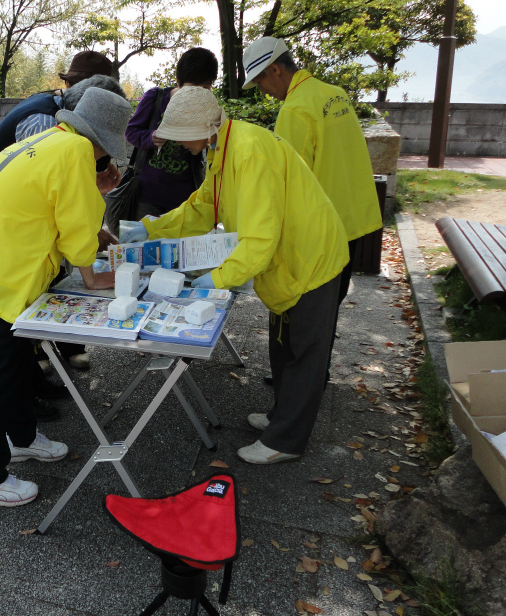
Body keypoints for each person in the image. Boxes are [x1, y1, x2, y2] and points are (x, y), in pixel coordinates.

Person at [121, 86, 348, 465]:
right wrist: (153, 228)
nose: (180, 145)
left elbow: (260, 240)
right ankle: (282, 416)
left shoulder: (250, 152)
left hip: (310, 257)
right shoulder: (222, 147)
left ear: (207, 127)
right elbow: (203, 206)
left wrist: (216, 280)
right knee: (283, 343)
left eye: (183, 137)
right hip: (288, 256)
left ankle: (287, 440)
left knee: (304, 351)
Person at [0, 88, 133, 506]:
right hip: (9, 276)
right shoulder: (75, 152)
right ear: (105, 142)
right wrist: (102, 270)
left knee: (17, 360)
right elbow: (79, 240)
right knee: (1, 369)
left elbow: (53, 207)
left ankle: (20, 438)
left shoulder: (48, 140)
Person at [0, 50, 123, 378]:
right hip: (4, 253)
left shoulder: (58, 133)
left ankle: (23, 424)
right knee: (3, 360)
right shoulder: (67, 142)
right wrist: (90, 273)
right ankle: (5, 423)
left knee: (9, 353)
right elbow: (69, 214)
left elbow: (51, 195)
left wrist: (92, 192)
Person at [243, 37, 381, 307]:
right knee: (332, 305)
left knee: (313, 313)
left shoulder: (295, 109)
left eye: (260, 82)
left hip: (322, 230)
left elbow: (289, 180)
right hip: (350, 218)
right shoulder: (334, 93)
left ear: (275, 70)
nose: (263, 91)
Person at [124, 47, 215, 218]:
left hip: (184, 197)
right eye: (190, 88)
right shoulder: (155, 98)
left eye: (203, 88)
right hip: (147, 195)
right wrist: (151, 138)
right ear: (179, 82)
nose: (194, 95)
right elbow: (131, 132)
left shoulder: (207, 106)